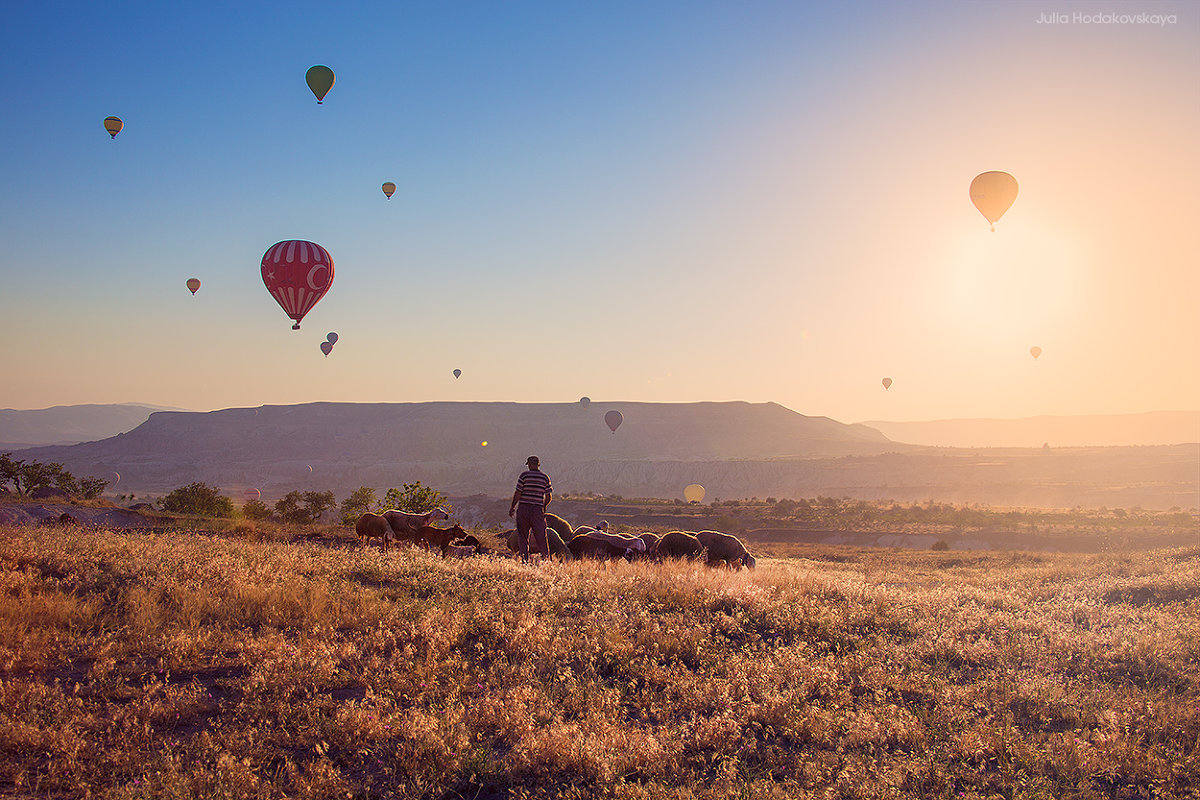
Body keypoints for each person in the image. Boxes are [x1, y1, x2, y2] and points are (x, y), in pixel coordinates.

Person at [509, 455, 552, 562]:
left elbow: (518, 493)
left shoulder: (524, 476)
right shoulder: (545, 477)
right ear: (538, 464)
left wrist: (512, 507)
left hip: (524, 508)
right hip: (537, 510)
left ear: (529, 464)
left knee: (523, 537)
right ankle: (546, 561)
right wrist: (544, 506)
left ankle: (525, 561)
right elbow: (548, 496)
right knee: (541, 537)